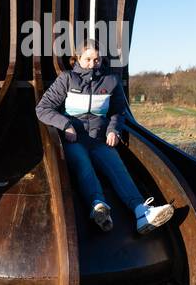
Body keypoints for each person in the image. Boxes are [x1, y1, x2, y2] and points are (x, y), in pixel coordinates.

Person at [36, 39, 174, 234]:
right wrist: (65, 125)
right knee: (83, 164)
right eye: (88, 59)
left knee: (117, 168)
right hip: (75, 140)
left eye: (97, 60)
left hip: (100, 139)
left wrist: (113, 129)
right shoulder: (67, 79)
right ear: (77, 58)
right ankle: (98, 206)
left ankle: (141, 212)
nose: (93, 64)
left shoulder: (111, 81)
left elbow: (118, 111)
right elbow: (42, 109)